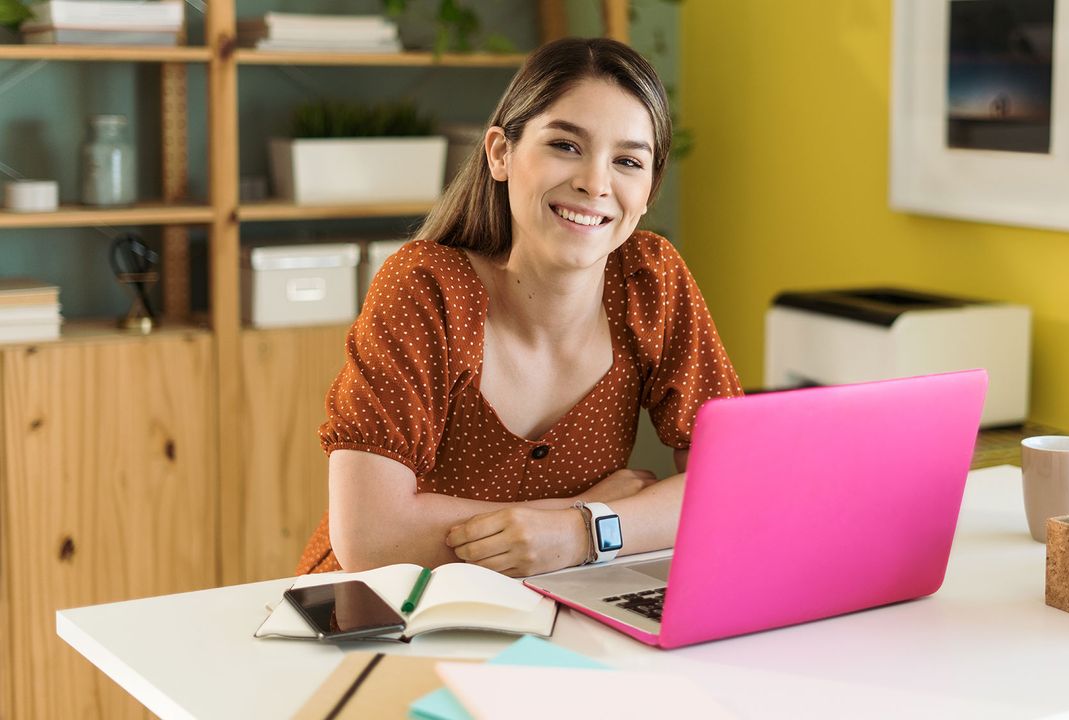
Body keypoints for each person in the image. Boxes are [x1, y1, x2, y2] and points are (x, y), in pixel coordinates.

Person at [296, 37, 742, 578]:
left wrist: (582, 532)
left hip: (561, 605)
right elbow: (373, 537)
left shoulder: (650, 281)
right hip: (384, 611)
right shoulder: (426, 289)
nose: (595, 183)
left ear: (648, 191)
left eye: (627, 161)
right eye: (566, 146)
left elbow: (727, 483)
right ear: (501, 154)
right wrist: (574, 518)